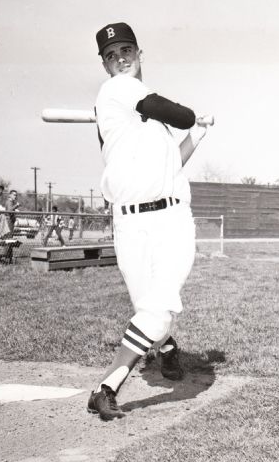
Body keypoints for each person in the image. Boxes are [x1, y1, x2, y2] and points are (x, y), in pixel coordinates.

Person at [87, 22, 211, 421]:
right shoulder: (118, 90)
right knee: (149, 311)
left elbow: (171, 165)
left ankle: (107, 386)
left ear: (140, 54)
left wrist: (200, 134)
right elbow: (181, 114)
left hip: (172, 220)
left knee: (156, 309)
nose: (120, 58)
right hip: (129, 224)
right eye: (111, 55)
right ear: (105, 66)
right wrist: (195, 119)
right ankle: (168, 347)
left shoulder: (140, 120)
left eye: (126, 51)